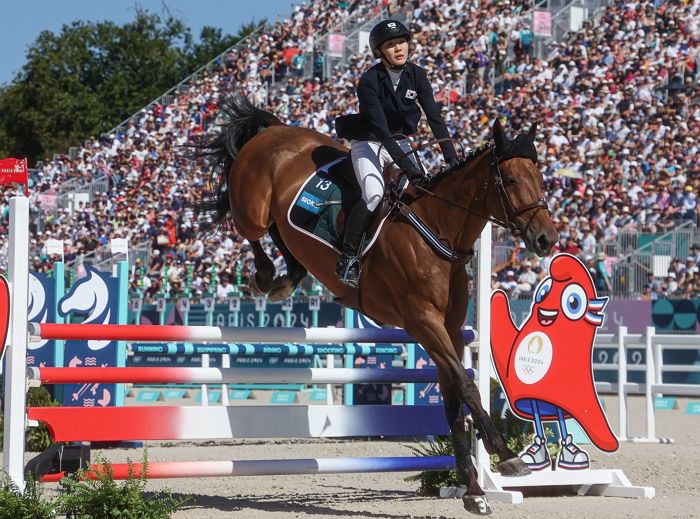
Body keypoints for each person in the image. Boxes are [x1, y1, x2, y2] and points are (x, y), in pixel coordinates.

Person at [334, 19, 459, 287]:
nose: (399, 48)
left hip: (399, 141)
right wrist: (410, 168)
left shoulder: (418, 75)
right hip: (369, 142)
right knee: (374, 194)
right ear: (380, 52)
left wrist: (452, 158)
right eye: (391, 45)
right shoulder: (369, 80)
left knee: (423, 192)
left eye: (402, 42)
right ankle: (349, 258)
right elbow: (380, 128)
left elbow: (435, 119)